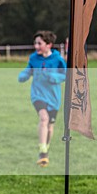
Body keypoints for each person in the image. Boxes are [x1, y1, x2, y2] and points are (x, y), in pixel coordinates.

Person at [18, 30, 66, 167]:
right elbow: (29, 69)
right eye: (35, 43)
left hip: (53, 97)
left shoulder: (57, 59)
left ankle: (45, 147)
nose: (36, 46)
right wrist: (24, 75)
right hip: (38, 95)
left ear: (49, 45)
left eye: (39, 43)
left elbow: (67, 75)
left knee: (50, 126)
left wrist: (54, 77)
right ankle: (43, 151)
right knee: (43, 118)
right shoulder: (34, 58)